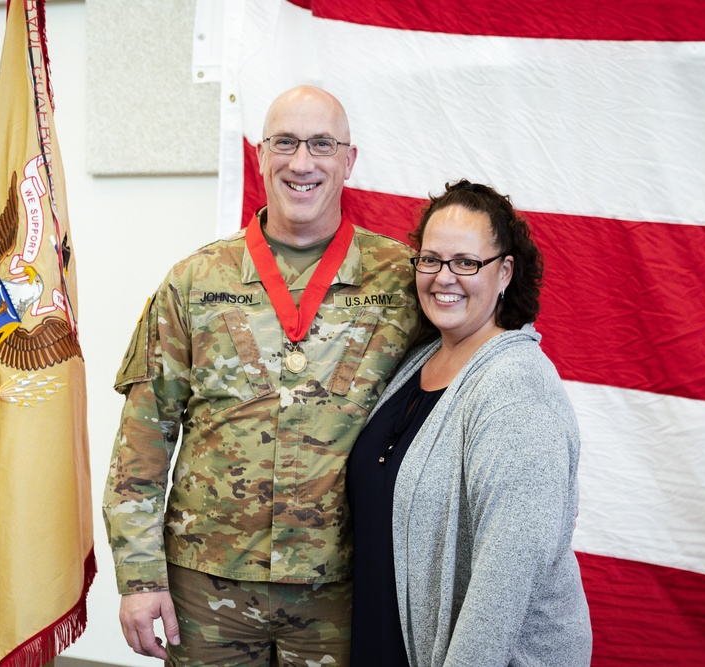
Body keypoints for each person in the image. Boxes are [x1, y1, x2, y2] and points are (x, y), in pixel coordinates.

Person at [102, 86, 421, 666]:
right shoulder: (194, 281)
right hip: (206, 589)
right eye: (285, 142)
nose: (302, 162)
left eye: (322, 144)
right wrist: (139, 578)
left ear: (349, 161)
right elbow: (142, 446)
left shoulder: (403, 283)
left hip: (343, 586)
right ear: (260, 155)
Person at [347, 179, 592, 666]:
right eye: (431, 259)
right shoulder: (417, 362)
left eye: (466, 263)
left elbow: (505, 582)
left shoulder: (516, 389)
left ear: (504, 273)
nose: (444, 277)